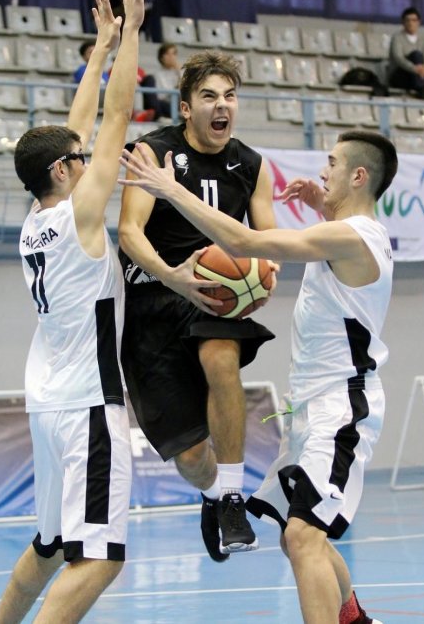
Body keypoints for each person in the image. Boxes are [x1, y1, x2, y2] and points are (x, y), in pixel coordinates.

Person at [118, 129, 397, 624]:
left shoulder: (354, 237)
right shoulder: (346, 231)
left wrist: (170, 189)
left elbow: (242, 239)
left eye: (331, 164)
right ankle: (352, 616)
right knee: (299, 535)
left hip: (342, 407)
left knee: (302, 536)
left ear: (358, 176)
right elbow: (334, 236)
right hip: (312, 405)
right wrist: (324, 206)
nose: (322, 172)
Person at [0, 0, 145, 624]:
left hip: (47, 401)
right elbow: (113, 116)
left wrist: (100, 47)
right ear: (62, 172)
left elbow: (79, 126)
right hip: (87, 407)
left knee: (52, 544)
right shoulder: (81, 214)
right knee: (101, 556)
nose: (88, 162)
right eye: (77, 161)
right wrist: (132, 32)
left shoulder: (37, 219)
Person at [116, 50, 278, 563]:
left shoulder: (251, 166)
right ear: (186, 108)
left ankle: (232, 496)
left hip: (214, 297)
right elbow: (128, 233)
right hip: (153, 301)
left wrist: (266, 267)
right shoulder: (151, 151)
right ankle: (210, 492)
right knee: (188, 457)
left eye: (229, 96)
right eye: (208, 96)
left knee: (220, 356)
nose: (221, 104)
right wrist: (171, 276)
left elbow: (269, 237)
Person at [387, 6, 424, 99]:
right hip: (402, 74)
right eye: (407, 20)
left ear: (418, 22)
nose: (410, 23)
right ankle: (422, 89)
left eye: (414, 20)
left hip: (419, 75)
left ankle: (423, 87)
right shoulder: (397, 38)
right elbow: (398, 58)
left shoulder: (423, 39)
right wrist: (415, 69)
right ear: (403, 22)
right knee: (416, 55)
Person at [141, 43, 180, 119]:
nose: (171, 57)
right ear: (161, 57)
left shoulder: (181, 73)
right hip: (163, 103)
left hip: (178, 105)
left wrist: (179, 74)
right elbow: (160, 96)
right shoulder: (157, 75)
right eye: (167, 54)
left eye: (173, 54)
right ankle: (158, 115)